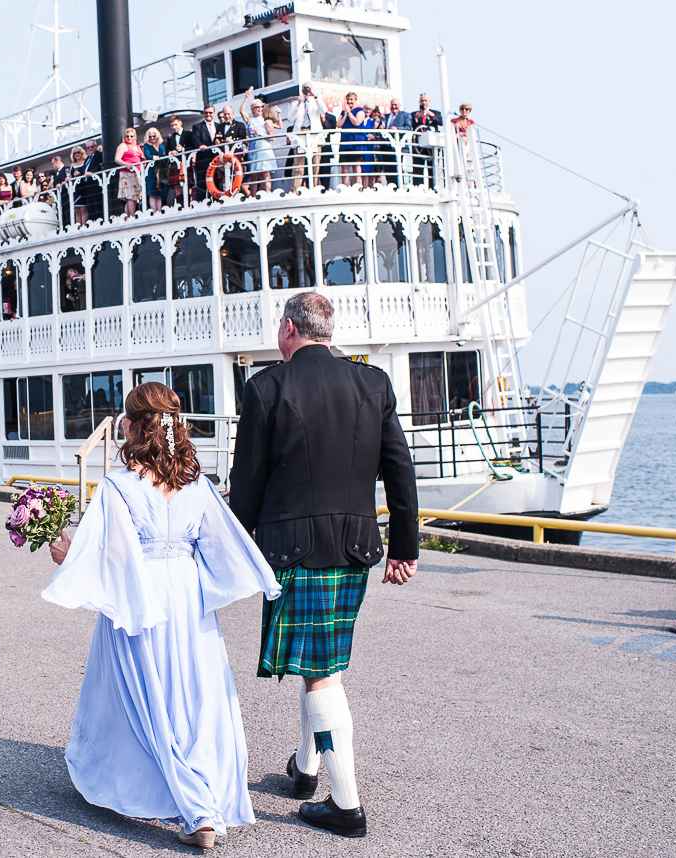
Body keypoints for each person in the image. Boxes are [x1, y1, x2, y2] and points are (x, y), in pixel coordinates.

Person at [44, 382, 280, 850]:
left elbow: (108, 556)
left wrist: (64, 553)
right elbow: (222, 546)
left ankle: (189, 808)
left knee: (142, 695)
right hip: (188, 597)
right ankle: (202, 790)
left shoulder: (118, 486)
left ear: (132, 427)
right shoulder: (199, 485)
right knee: (194, 695)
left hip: (140, 594)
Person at [228, 292, 419, 839]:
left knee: (319, 676)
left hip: (293, 550)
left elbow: (248, 484)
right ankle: (307, 768)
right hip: (356, 546)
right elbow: (399, 471)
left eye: (277, 328)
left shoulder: (266, 387)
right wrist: (404, 546)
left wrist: (238, 550)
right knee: (323, 663)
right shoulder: (372, 383)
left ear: (290, 329)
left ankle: (346, 803)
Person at [238, 88, 276, 194]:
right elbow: (241, 111)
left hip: (263, 148)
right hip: (253, 149)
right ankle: (253, 196)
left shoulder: (266, 120)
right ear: (252, 109)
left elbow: (273, 135)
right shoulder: (250, 119)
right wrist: (246, 98)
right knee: (254, 174)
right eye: (257, 107)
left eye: (261, 107)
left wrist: (260, 133)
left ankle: (267, 193)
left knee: (265, 171)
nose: (260, 109)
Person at [409, 93, 444, 187]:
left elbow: (440, 122)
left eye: (425, 100)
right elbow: (409, 125)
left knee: (432, 167)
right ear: (419, 102)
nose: (423, 103)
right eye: (422, 100)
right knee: (417, 168)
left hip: (431, 146)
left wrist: (431, 115)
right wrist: (416, 118)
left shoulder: (436, 113)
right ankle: (417, 187)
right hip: (418, 146)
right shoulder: (413, 114)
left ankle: (433, 187)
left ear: (429, 102)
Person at [188, 105, 218, 201]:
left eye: (210, 112)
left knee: (216, 184)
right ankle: (201, 205)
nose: (208, 114)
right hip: (203, 160)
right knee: (202, 186)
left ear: (214, 113)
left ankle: (217, 203)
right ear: (203, 114)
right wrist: (200, 145)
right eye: (206, 113)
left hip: (216, 160)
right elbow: (195, 138)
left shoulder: (219, 126)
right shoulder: (197, 126)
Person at [336, 92, 366, 187]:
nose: (349, 102)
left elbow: (356, 122)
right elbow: (339, 124)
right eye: (348, 99)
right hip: (345, 143)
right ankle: (344, 186)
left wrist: (349, 113)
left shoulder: (360, 111)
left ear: (355, 100)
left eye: (351, 99)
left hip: (355, 143)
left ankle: (356, 185)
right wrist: (345, 113)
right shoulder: (343, 112)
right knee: (344, 166)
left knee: (356, 165)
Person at [141, 127, 165, 213]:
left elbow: (164, 156)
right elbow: (148, 156)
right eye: (150, 136)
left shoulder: (161, 146)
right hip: (151, 170)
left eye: (153, 136)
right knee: (152, 192)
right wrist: (157, 157)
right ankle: (154, 211)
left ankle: (159, 210)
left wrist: (158, 158)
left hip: (161, 170)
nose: (152, 138)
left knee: (159, 192)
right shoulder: (147, 145)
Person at [67, 146, 90, 226]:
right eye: (75, 153)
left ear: (81, 153)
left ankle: (84, 225)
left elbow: (86, 172)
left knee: (83, 209)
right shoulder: (72, 165)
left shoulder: (85, 162)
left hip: (83, 187)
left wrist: (80, 174)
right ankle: (78, 226)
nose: (77, 154)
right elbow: (70, 175)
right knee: (76, 209)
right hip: (75, 189)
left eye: (78, 152)